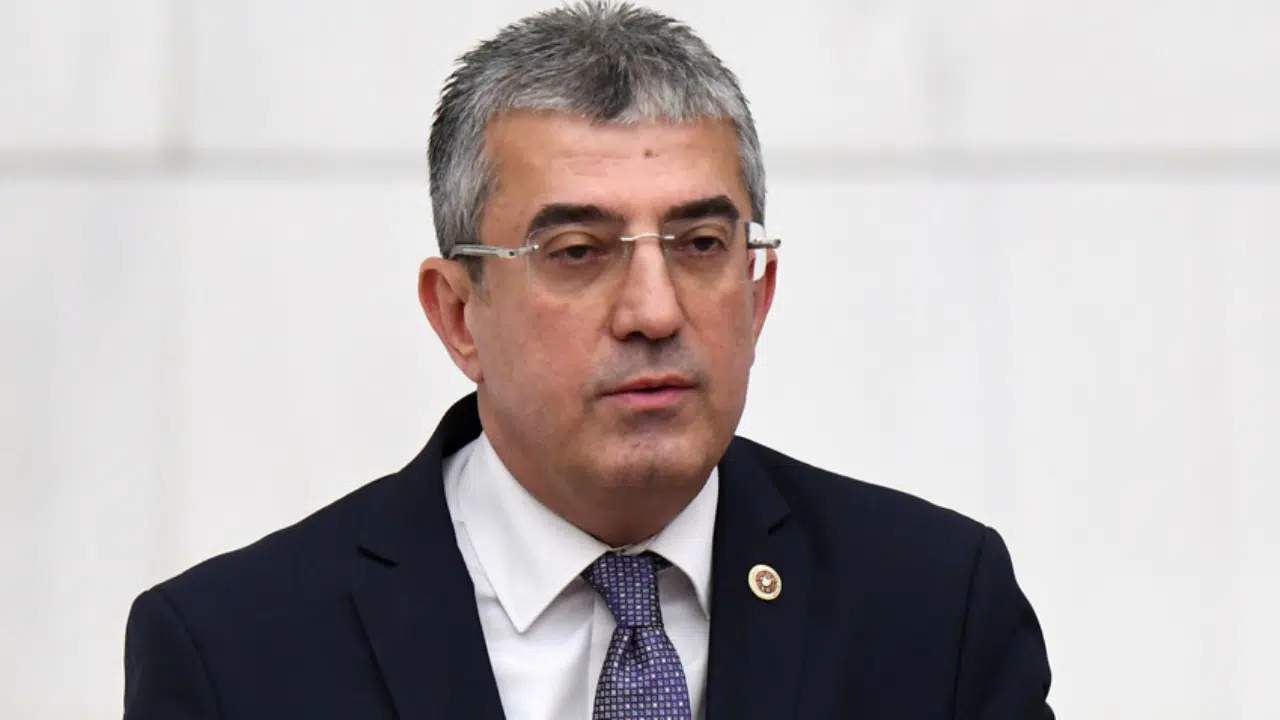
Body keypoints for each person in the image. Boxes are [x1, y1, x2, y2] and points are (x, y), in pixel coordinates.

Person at [123, 2, 1053, 718]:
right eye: (577, 252)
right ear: (458, 314)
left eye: (700, 245)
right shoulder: (236, 653)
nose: (653, 312)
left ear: (759, 294)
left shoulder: (934, 607)